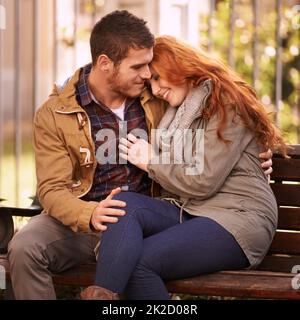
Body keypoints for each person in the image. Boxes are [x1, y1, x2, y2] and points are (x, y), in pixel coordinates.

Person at [7, 10, 272, 300]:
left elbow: (208, 130)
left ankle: (104, 296)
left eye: (150, 68)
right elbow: (52, 189)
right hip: (85, 218)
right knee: (25, 247)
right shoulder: (56, 113)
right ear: (105, 64)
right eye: (138, 68)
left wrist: (256, 151)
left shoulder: (157, 98)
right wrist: (90, 213)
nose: (147, 76)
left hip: (151, 216)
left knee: (133, 247)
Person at [80, 35, 286, 300]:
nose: (154, 90)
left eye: (156, 77)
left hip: (238, 219)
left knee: (140, 263)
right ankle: (104, 296)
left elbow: (203, 179)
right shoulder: (176, 114)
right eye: (149, 82)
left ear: (177, 65)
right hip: (193, 211)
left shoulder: (228, 104)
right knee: (123, 205)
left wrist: (151, 161)